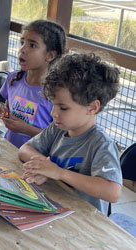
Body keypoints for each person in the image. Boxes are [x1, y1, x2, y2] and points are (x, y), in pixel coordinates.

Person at [19, 53, 122, 215]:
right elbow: (24, 150)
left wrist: (59, 173)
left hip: (85, 222)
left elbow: (112, 192)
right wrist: (44, 167)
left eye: (63, 108)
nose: (54, 113)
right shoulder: (58, 128)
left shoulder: (100, 144)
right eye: (53, 105)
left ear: (92, 108)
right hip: (57, 208)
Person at [0, 19, 66, 148]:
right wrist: (2, 111)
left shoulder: (57, 92)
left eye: (32, 45)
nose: (22, 49)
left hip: (36, 161)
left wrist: (26, 129)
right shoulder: (13, 79)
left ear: (50, 55)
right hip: (9, 151)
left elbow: (59, 139)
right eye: (22, 42)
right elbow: (8, 110)